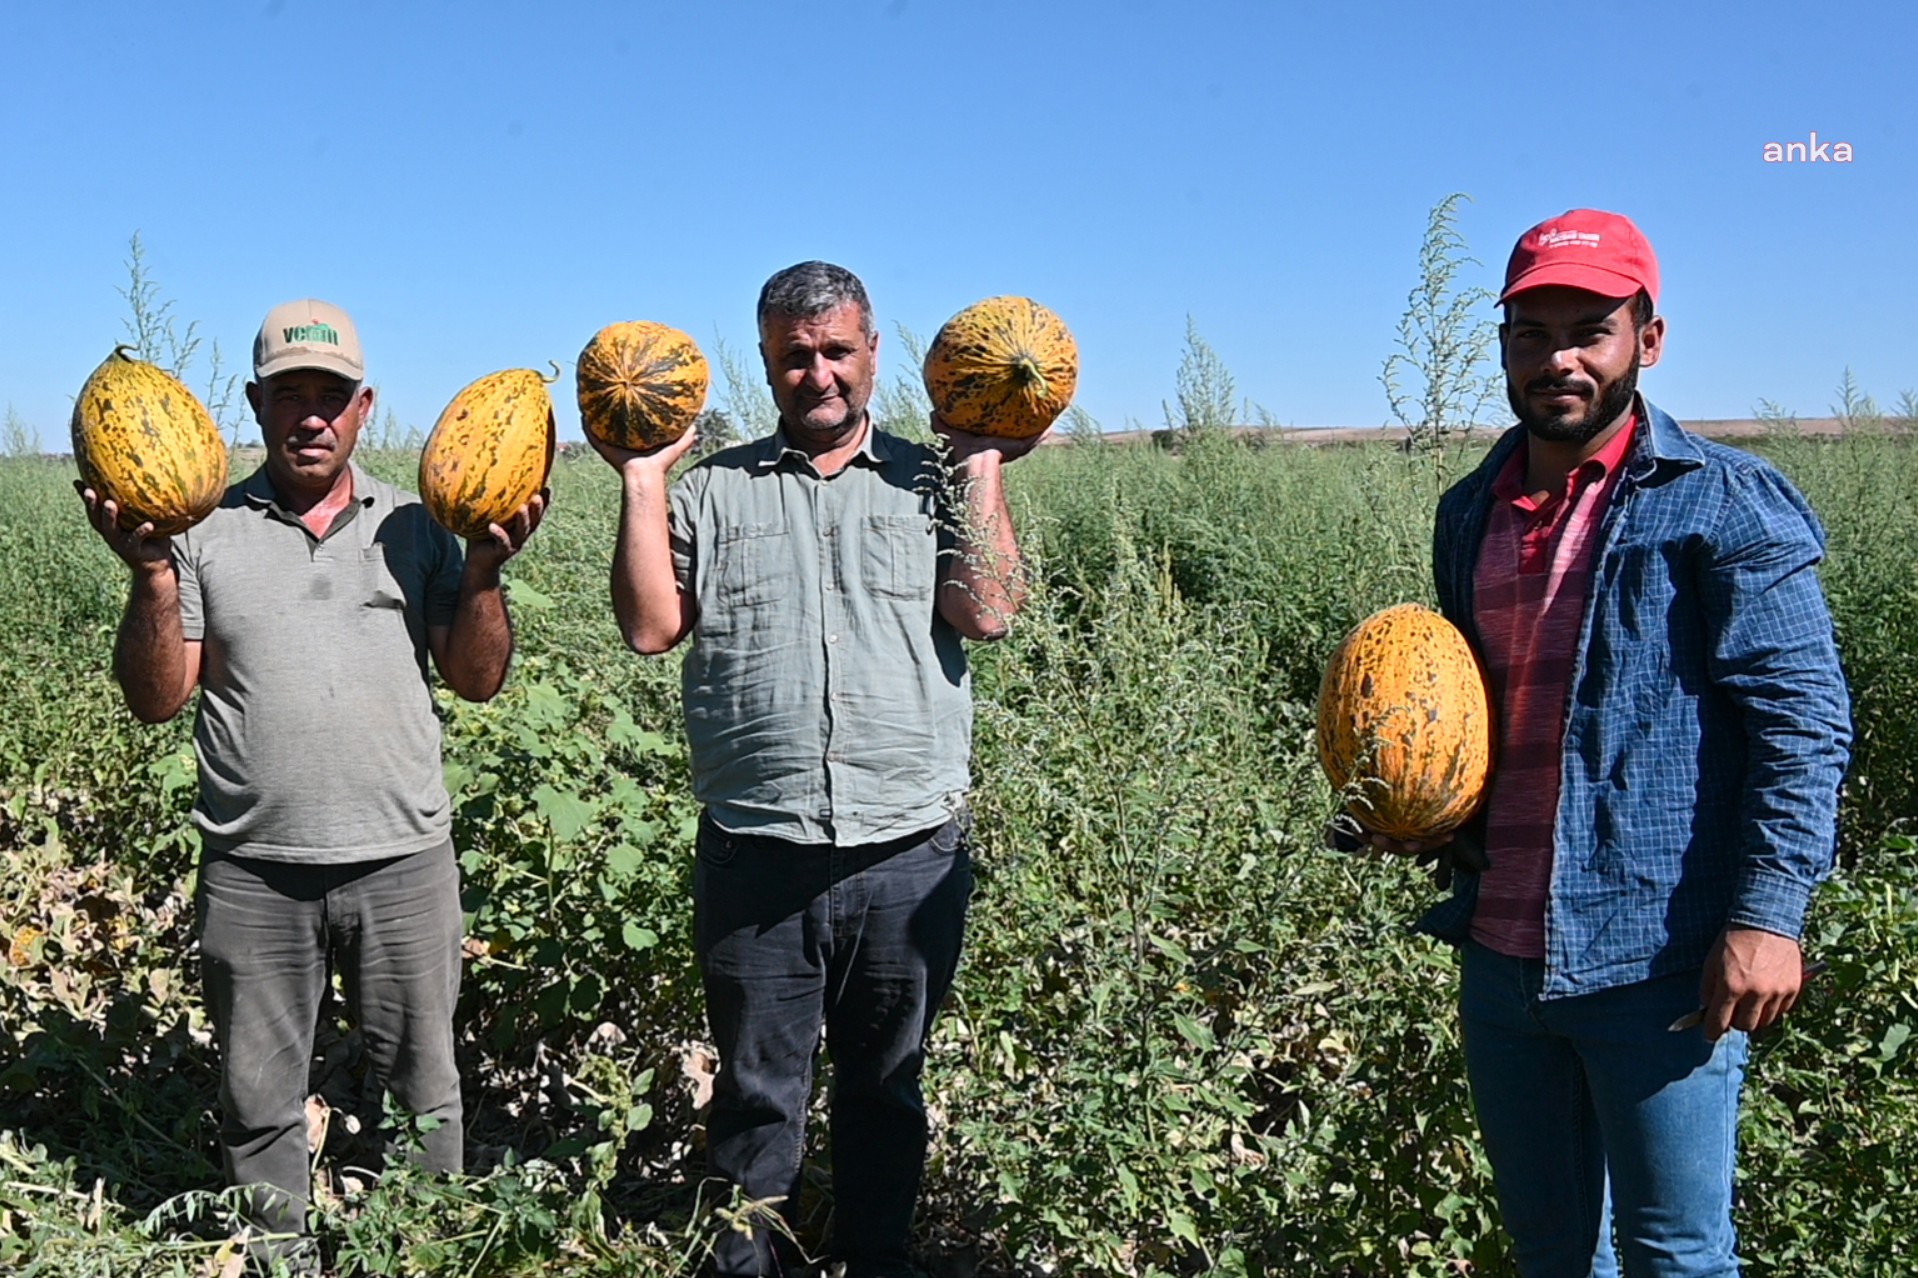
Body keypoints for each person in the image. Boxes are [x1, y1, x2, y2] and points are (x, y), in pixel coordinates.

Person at [1369, 210, 1851, 1276]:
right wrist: (1419, 808)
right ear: (1502, 348)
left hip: (1656, 955)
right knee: (1548, 1250)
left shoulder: (1721, 501)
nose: (1560, 359)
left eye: (1589, 329)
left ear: (1649, 338)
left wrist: (1768, 916)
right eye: (1531, 335)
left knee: (1674, 1253)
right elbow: (1481, 716)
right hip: (1499, 953)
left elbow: (1801, 724)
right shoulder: (1467, 509)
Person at [77, 300, 546, 1269]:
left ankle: (419, 1252)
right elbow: (158, 697)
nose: (311, 417)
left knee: (426, 1093)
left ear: (363, 407)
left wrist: (487, 570)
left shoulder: (417, 526)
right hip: (254, 871)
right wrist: (154, 576)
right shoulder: (201, 526)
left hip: (404, 862)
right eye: (290, 394)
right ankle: (273, 1257)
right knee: (257, 1103)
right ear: (255, 404)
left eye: (329, 396)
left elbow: (476, 678)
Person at [596, 261, 1036, 1278]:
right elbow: (649, 627)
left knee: (886, 1091)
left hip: (906, 850)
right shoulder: (710, 490)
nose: (818, 375)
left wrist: (978, 462)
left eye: (837, 351)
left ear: (874, 353)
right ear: (765, 363)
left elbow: (990, 610)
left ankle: (876, 1258)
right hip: (760, 851)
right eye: (795, 358)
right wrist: (641, 478)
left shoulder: (927, 480)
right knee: (757, 1100)